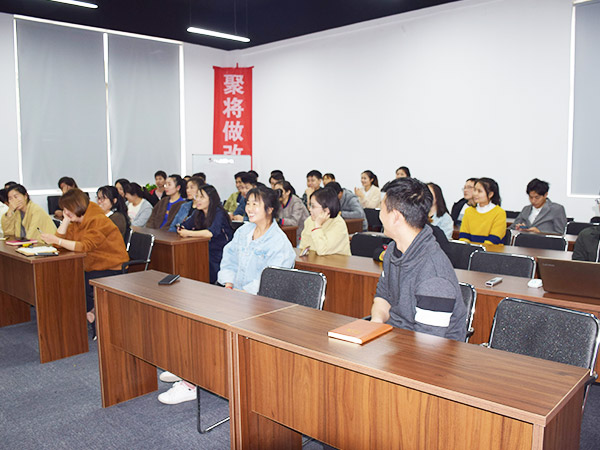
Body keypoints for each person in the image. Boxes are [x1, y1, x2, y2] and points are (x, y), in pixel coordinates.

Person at [370, 178, 467, 341]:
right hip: (396, 339)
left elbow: (427, 344)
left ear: (395, 217)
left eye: (382, 208)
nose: (379, 214)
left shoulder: (434, 277)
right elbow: (383, 296)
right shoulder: (394, 250)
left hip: (429, 351)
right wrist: (375, 323)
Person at [40, 189, 128, 335]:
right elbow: (57, 244)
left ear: (76, 206)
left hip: (110, 266)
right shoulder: (77, 220)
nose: (65, 212)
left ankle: (92, 315)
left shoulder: (98, 220)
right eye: (64, 209)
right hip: (90, 265)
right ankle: (88, 314)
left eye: (67, 209)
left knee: (74, 284)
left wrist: (57, 240)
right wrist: (65, 221)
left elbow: (84, 246)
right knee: (62, 281)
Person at [218, 185, 296, 294]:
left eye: (255, 204)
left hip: (261, 300)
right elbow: (230, 258)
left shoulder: (279, 243)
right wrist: (229, 284)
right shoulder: (243, 231)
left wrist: (244, 292)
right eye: (248, 203)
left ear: (269, 209)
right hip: (235, 293)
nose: (249, 209)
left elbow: (272, 280)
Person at [176, 184, 233, 283]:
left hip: (219, 253)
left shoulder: (219, 213)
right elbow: (184, 226)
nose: (197, 200)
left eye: (201, 197)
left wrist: (188, 233)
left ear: (211, 199)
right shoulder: (198, 213)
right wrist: (181, 229)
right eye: (197, 196)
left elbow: (210, 233)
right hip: (204, 249)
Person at [299, 187, 351, 256]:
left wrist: (317, 226)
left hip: (335, 262)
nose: (310, 209)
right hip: (313, 260)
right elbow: (303, 247)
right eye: (310, 205)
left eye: (313, 206)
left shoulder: (338, 224)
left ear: (326, 210)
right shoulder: (309, 221)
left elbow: (322, 251)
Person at [459, 177, 506, 247]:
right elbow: (463, 236)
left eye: (479, 191)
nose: (475, 194)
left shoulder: (499, 212)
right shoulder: (468, 211)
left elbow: (494, 239)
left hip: (492, 250)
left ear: (490, 194)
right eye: (475, 190)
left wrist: (480, 249)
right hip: (471, 250)